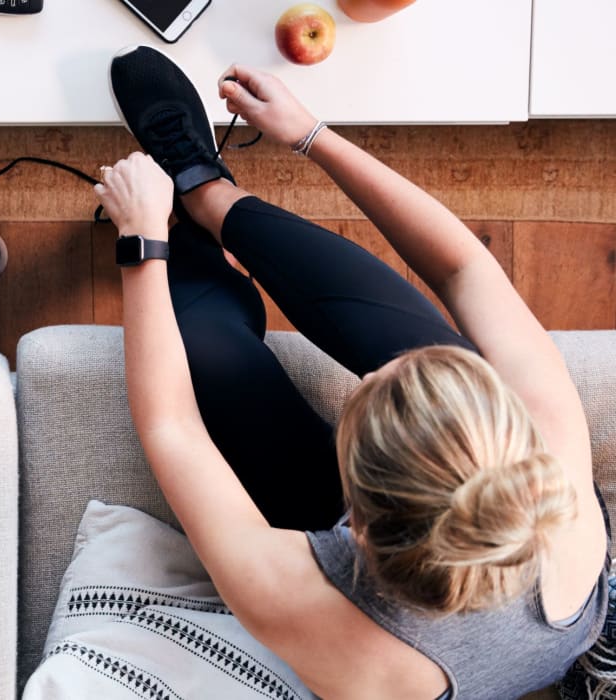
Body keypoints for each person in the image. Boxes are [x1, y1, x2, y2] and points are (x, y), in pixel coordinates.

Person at [93, 46, 609, 699]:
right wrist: (310, 134)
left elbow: (171, 427)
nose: (369, 370)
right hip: (453, 533)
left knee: (209, 353)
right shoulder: (550, 449)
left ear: (352, 523)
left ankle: (183, 234)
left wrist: (141, 241)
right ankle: (205, 190)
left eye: (366, 397)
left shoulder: (318, 610)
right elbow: (463, 269)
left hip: (399, 610)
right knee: (359, 312)